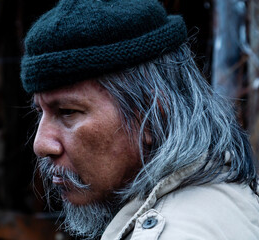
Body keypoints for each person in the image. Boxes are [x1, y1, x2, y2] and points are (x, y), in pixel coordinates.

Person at [20, 0, 259, 239]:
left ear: (151, 115)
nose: (41, 144)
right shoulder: (224, 194)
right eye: (41, 112)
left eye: (67, 112)